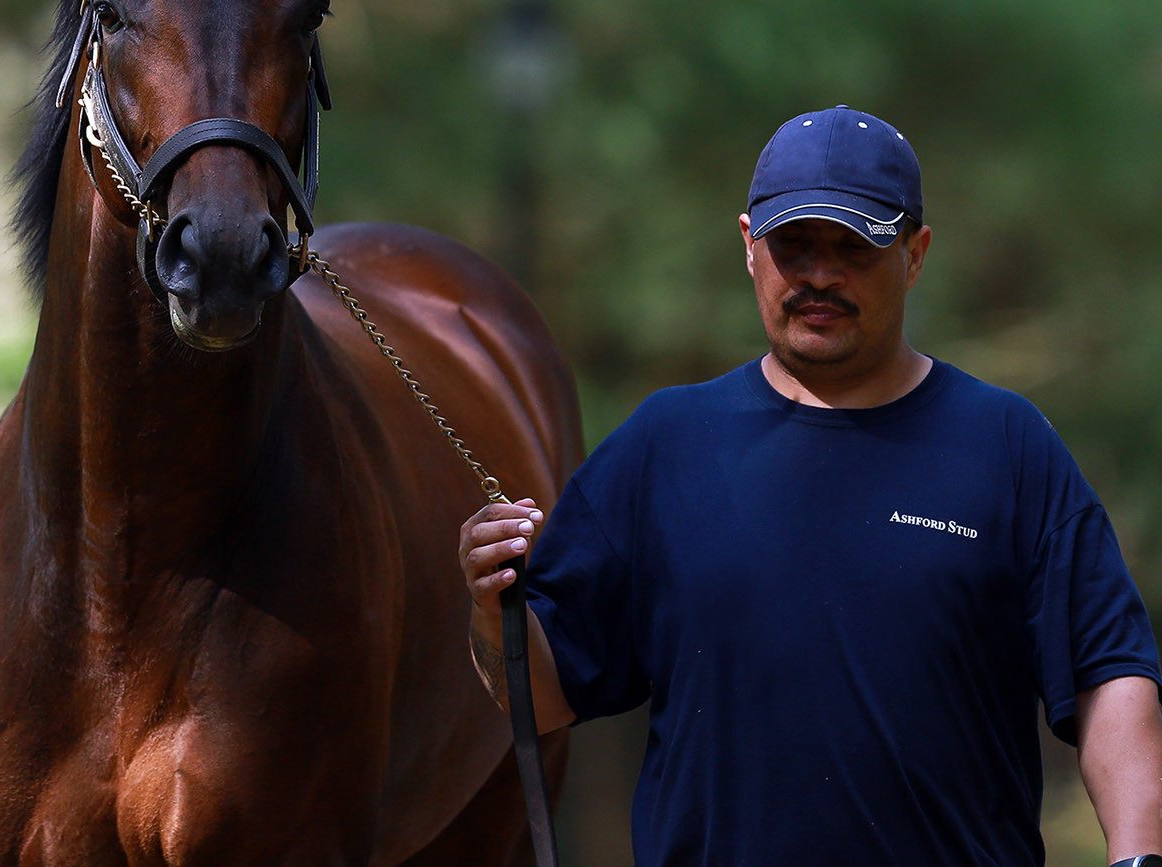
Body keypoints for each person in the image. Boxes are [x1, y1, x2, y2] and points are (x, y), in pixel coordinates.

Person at [459, 104, 1162, 864]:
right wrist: (494, 601)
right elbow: (548, 691)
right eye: (795, 244)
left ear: (915, 254)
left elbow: (1108, 672)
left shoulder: (1007, 444)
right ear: (749, 247)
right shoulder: (665, 442)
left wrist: (1135, 856)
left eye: (854, 246)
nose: (821, 274)